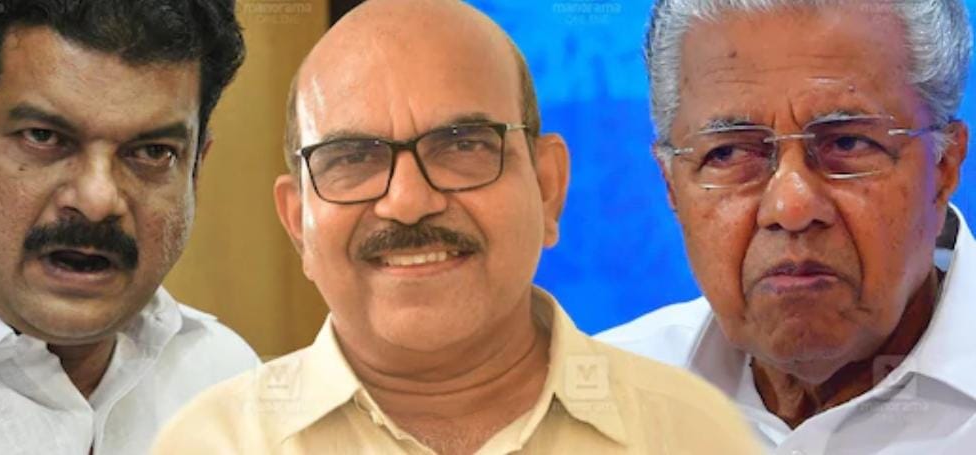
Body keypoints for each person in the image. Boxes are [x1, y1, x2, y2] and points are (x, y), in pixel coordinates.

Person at [152, 1, 761, 453]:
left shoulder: (697, 435)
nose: (408, 202)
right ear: (299, 225)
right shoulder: (208, 444)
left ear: (548, 188)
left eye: (462, 145)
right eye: (353, 158)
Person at [597, 0, 976, 453]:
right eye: (730, 153)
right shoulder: (597, 407)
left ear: (944, 168)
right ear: (672, 186)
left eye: (847, 143)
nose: (791, 207)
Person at [0, 1, 259, 453]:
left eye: (152, 152)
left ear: (195, 171)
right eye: (44, 137)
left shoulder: (224, 383)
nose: (97, 201)